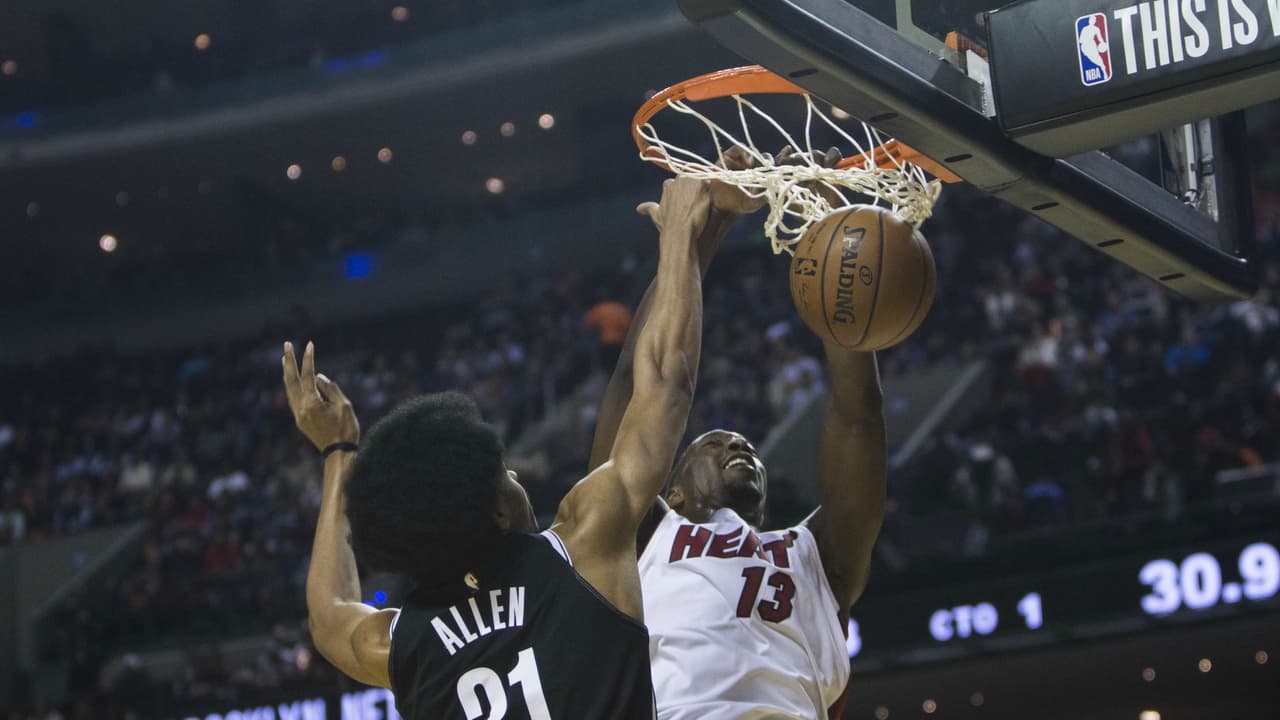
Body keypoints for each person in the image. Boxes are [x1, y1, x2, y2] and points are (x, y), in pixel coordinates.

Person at [283, 177, 712, 719]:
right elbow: (665, 383)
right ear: (495, 509)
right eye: (504, 472)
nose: (515, 478)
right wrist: (680, 235)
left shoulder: (400, 645)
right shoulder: (582, 545)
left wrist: (338, 452)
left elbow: (328, 616)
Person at [588, 149, 885, 719]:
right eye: (713, 443)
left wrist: (828, 240)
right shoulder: (642, 537)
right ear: (670, 491)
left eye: (742, 445)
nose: (738, 445)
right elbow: (637, 381)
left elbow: (858, 416)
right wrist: (702, 226)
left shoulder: (814, 555)